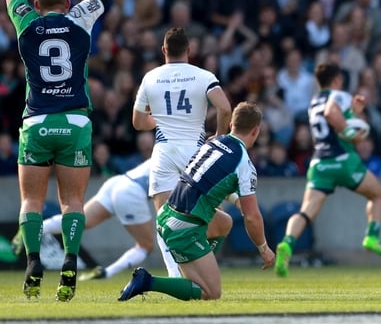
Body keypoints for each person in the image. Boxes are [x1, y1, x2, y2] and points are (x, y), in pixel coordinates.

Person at [4, 0, 117, 301]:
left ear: (36, 4)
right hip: (75, 122)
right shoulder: (80, 18)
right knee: (72, 202)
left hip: (36, 121)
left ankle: (34, 261)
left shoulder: (26, 23)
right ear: (68, 2)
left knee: (31, 202)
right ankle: (70, 259)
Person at [118, 102, 274, 301]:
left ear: (231, 124)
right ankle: (148, 281)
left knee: (225, 222)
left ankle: (198, 268)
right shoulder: (244, 163)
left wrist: (234, 199)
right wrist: (264, 249)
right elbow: (252, 217)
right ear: (256, 130)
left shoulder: (212, 144)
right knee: (211, 293)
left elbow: (202, 179)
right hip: (183, 227)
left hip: (167, 214)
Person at [273, 62, 381, 278]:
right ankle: (372, 237)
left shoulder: (313, 102)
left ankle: (287, 243)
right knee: (378, 195)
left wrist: (353, 113)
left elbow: (331, 117)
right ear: (337, 79)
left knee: (306, 212)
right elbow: (333, 114)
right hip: (343, 160)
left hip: (320, 164)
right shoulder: (339, 95)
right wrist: (350, 129)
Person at [132, 27, 232, 277]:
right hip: (196, 154)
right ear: (189, 50)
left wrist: (159, 120)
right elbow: (225, 108)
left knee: (164, 221)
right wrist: (219, 136)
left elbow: (138, 122)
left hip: (164, 150)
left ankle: (176, 276)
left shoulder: (150, 77)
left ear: (163, 50)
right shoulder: (202, 75)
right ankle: (201, 262)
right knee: (209, 218)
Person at [12, 160, 155, 280]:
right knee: (145, 246)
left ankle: (35, 227)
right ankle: (106, 273)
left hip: (117, 182)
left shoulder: (167, 146)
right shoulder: (175, 157)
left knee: (80, 221)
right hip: (132, 191)